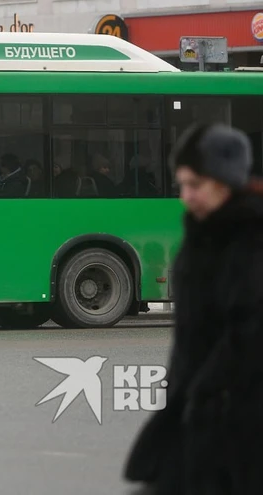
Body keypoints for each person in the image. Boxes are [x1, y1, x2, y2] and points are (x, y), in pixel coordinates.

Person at [124, 123, 263, 494]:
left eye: (196, 184)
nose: (186, 196)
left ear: (225, 181)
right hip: (195, 415)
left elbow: (248, 335)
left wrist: (206, 392)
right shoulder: (202, 236)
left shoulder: (250, 241)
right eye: (182, 185)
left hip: (238, 423)